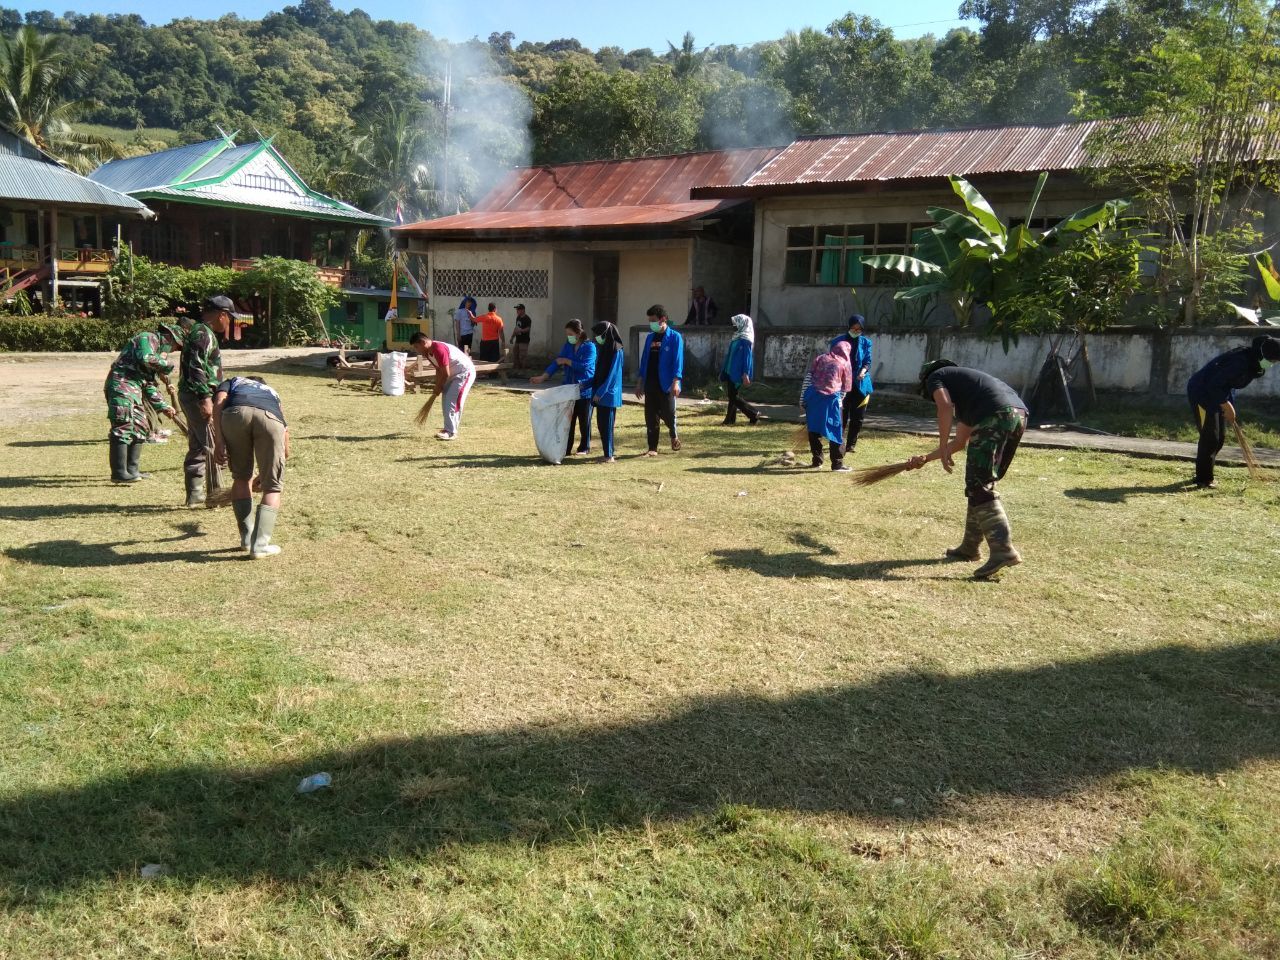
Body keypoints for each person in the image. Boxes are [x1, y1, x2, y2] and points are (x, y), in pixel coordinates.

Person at [907, 359, 1028, 580]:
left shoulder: (937, 375)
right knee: (979, 483)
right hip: (1017, 416)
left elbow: (944, 406)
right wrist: (927, 457)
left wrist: (942, 445)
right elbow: (960, 442)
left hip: (997, 416)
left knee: (979, 485)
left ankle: (1003, 550)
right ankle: (970, 547)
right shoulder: (971, 395)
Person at [1186, 335, 1280, 488]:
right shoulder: (1240, 361)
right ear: (1263, 355)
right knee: (1210, 437)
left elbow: (1229, 385)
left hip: (1219, 394)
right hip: (1201, 393)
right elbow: (1214, 384)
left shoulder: (1253, 363)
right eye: (1273, 361)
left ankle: (1203, 472)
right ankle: (1203, 479)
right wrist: (1226, 405)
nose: (1273, 364)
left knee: (1220, 438)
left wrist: (1229, 405)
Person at [212, 375, 289, 559]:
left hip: (235, 413)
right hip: (270, 418)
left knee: (241, 477)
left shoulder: (233, 381)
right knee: (272, 487)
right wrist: (273, 465)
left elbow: (219, 401)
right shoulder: (272, 393)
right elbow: (285, 434)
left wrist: (219, 440)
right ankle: (260, 546)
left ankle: (246, 540)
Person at [103, 322, 183, 483]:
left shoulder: (155, 354)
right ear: (169, 338)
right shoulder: (147, 338)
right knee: (123, 424)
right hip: (121, 383)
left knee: (141, 425)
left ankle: (132, 470)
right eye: (175, 346)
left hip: (136, 387)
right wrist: (168, 365)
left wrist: (163, 406)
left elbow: (149, 385)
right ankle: (119, 473)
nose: (173, 351)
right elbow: (146, 358)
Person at [179, 296, 231, 507]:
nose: (229, 323)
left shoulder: (201, 332)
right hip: (197, 396)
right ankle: (214, 495)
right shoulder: (203, 334)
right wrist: (205, 398)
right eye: (229, 318)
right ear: (222, 315)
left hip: (192, 394)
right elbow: (197, 367)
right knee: (209, 443)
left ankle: (195, 494)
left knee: (198, 443)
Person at [531, 319, 597, 457]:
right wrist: (543, 376)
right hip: (568, 389)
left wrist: (568, 361)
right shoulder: (568, 345)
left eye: (570, 334)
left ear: (579, 333)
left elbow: (585, 366)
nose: (568, 337)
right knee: (568, 420)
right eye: (567, 334)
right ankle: (566, 448)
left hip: (584, 390)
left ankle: (584, 447)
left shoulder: (590, 347)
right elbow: (557, 361)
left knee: (584, 420)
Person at [408, 332, 476, 440]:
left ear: (423, 342)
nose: (417, 350)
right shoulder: (427, 353)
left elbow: (446, 373)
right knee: (446, 401)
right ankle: (447, 429)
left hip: (463, 373)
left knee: (452, 400)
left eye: (417, 347)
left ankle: (451, 432)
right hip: (452, 375)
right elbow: (439, 369)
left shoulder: (438, 349)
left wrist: (439, 386)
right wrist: (437, 385)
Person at [636, 304, 684, 456]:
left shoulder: (675, 337)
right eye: (649, 320)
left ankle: (673, 434)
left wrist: (676, 382)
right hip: (650, 382)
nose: (651, 323)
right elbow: (644, 361)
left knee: (669, 413)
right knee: (651, 417)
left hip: (667, 384)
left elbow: (678, 362)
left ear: (663, 319)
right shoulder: (650, 337)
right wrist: (639, 383)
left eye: (653, 320)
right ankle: (652, 448)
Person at [802, 340, 853, 471]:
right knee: (836, 431)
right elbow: (845, 388)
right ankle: (837, 464)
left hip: (813, 397)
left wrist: (803, 399)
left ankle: (817, 461)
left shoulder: (820, 358)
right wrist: (839, 402)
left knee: (814, 430)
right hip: (831, 401)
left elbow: (809, 378)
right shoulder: (844, 363)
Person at [830, 314, 873, 455]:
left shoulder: (866, 343)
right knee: (841, 415)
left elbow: (868, 361)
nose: (856, 331)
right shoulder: (837, 341)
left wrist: (863, 371)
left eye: (859, 329)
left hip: (861, 384)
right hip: (842, 385)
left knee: (858, 416)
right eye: (853, 328)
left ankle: (851, 445)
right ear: (849, 327)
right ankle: (838, 442)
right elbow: (832, 361)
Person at [590, 321, 625, 462]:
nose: (597, 337)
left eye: (599, 335)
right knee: (601, 424)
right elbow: (598, 372)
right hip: (600, 392)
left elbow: (612, 375)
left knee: (607, 425)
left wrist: (601, 392)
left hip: (608, 394)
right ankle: (607, 453)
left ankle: (609, 455)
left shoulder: (617, 350)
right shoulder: (604, 349)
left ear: (606, 334)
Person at [719, 313, 759, 426]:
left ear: (743, 324)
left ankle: (754, 413)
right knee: (732, 395)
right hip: (729, 370)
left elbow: (747, 358)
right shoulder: (736, 337)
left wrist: (746, 373)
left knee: (733, 396)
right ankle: (730, 420)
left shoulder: (746, 340)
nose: (734, 326)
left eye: (736, 324)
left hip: (738, 372)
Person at [512, 303, 532, 374]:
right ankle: (517, 370)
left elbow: (528, 329)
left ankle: (523, 371)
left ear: (523, 310)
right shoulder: (518, 318)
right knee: (515, 355)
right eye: (517, 310)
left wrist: (521, 330)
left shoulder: (527, 319)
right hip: (518, 340)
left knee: (522, 356)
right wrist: (512, 337)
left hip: (524, 340)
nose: (517, 311)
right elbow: (516, 328)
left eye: (518, 309)